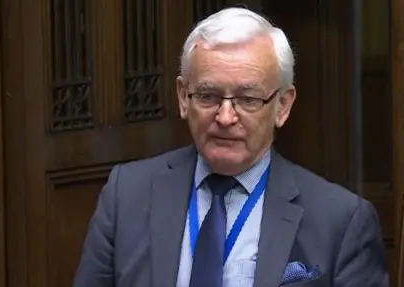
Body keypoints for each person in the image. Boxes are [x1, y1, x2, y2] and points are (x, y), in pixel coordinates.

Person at [72, 7, 389, 287]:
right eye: (208, 96)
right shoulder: (126, 196)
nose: (225, 117)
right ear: (183, 97)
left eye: (248, 99)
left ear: (282, 105)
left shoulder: (340, 221)